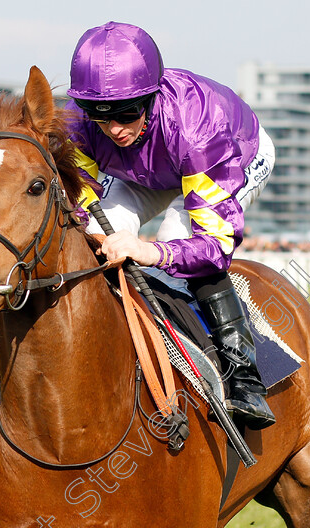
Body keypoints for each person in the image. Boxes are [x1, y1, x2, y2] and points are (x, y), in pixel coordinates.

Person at [62, 21, 276, 429]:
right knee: (95, 235)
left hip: (230, 153)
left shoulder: (200, 127)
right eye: (99, 117)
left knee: (175, 237)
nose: (114, 129)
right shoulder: (77, 123)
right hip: (142, 170)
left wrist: (149, 252)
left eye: (126, 115)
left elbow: (214, 245)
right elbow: (83, 204)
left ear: (150, 97)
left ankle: (243, 374)